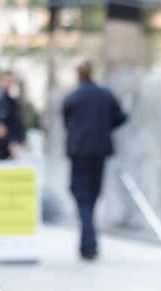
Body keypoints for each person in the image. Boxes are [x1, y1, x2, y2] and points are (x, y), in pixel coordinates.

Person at [63, 60, 127, 260]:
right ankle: (88, 242)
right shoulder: (104, 94)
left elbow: (68, 122)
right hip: (97, 152)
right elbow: (122, 116)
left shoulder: (74, 96)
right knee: (90, 195)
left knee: (83, 196)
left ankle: (89, 242)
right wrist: (104, 128)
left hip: (80, 152)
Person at [0, 70, 24, 160]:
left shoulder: (12, 101)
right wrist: (10, 141)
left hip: (14, 148)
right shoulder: (0, 101)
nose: (9, 84)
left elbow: (15, 125)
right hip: (4, 150)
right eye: (7, 81)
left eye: (11, 81)